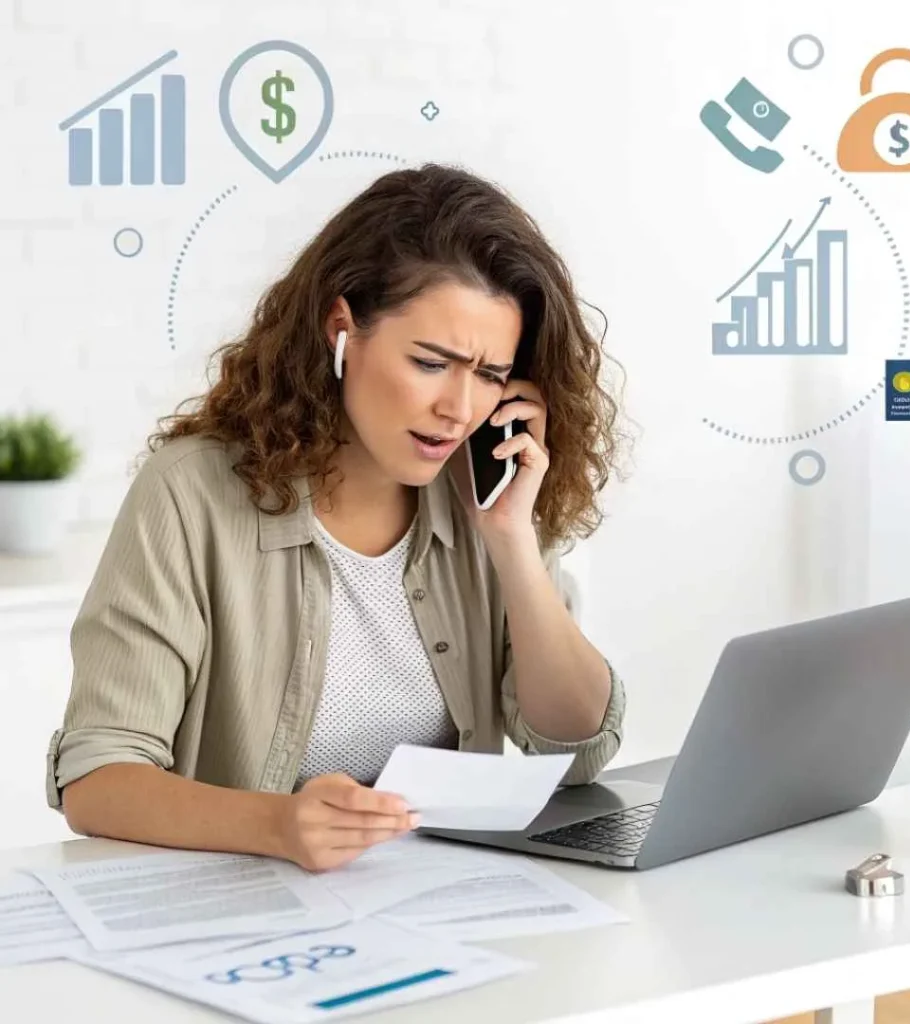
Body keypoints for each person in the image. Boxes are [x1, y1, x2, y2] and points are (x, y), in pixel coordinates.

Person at [47, 162, 628, 872]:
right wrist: (279, 825)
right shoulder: (189, 494)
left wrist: (511, 541)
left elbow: (576, 751)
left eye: (489, 375)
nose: (459, 408)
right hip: (251, 907)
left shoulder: (484, 496)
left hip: (445, 901)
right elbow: (97, 779)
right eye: (431, 362)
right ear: (341, 330)